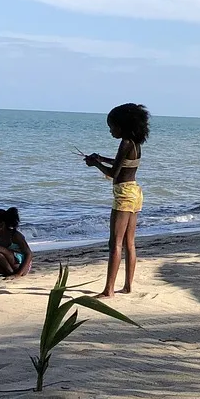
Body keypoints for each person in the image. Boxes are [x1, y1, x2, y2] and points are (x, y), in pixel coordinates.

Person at [84, 103, 150, 298]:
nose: (111, 130)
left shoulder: (125, 143)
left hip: (123, 195)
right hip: (135, 192)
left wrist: (95, 164)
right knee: (130, 243)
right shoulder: (135, 143)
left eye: (112, 127)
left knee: (115, 243)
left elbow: (114, 173)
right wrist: (102, 158)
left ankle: (108, 290)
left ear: (122, 126)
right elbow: (122, 163)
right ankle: (128, 286)